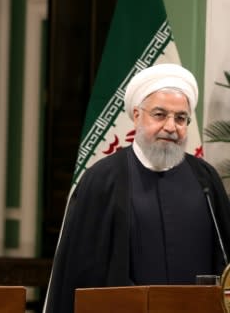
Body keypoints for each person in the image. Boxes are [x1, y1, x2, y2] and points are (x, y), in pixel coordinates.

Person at [43, 63, 230, 313]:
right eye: (160, 115)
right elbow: (79, 272)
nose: (171, 127)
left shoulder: (205, 179)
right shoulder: (102, 180)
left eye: (181, 118)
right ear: (136, 115)